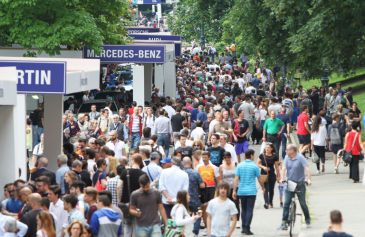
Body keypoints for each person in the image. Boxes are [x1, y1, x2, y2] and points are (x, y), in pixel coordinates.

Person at [232, 149, 264, 235]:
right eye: (254, 155)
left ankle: (243, 227)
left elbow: (236, 179)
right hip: (251, 191)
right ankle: (247, 227)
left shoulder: (240, 165)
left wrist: (234, 190)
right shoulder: (254, 166)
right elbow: (259, 178)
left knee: (243, 209)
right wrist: (263, 188)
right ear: (251, 155)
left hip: (241, 191)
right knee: (249, 209)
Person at [280, 144, 311, 230]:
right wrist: (282, 178)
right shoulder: (287, 157)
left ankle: (307, 219)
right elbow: (283, 168)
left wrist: (308, 179)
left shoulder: (300, 157)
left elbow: (307, 168)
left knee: (302, 203)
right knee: (286, 203)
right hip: (290, 182)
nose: (286, 151)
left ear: (292, 151)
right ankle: (284, 222)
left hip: (300, 183)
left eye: (287, 150)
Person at [182, 157, 205, 236]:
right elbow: (202, 186)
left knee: (183, 215)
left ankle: (184, 233)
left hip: (183, 199)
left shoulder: (180, 173)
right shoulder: (195, 173)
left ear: (183, 163)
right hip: (194, 198)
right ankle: (195, 231)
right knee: (197, 214)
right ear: (190, 163)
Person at [257, 143, 280, 209]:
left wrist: (278, 176)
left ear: (271, 149)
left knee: (271, 189)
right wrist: (263, 167)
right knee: (265, 189)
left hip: (272, 174)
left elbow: (276, 167)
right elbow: (258, 163)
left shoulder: (274, 156)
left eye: (268, 147)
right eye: (266, 147)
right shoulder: (262, 155)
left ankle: (270, 202)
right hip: (263, 174)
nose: (266, 149)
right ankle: (266, 203)